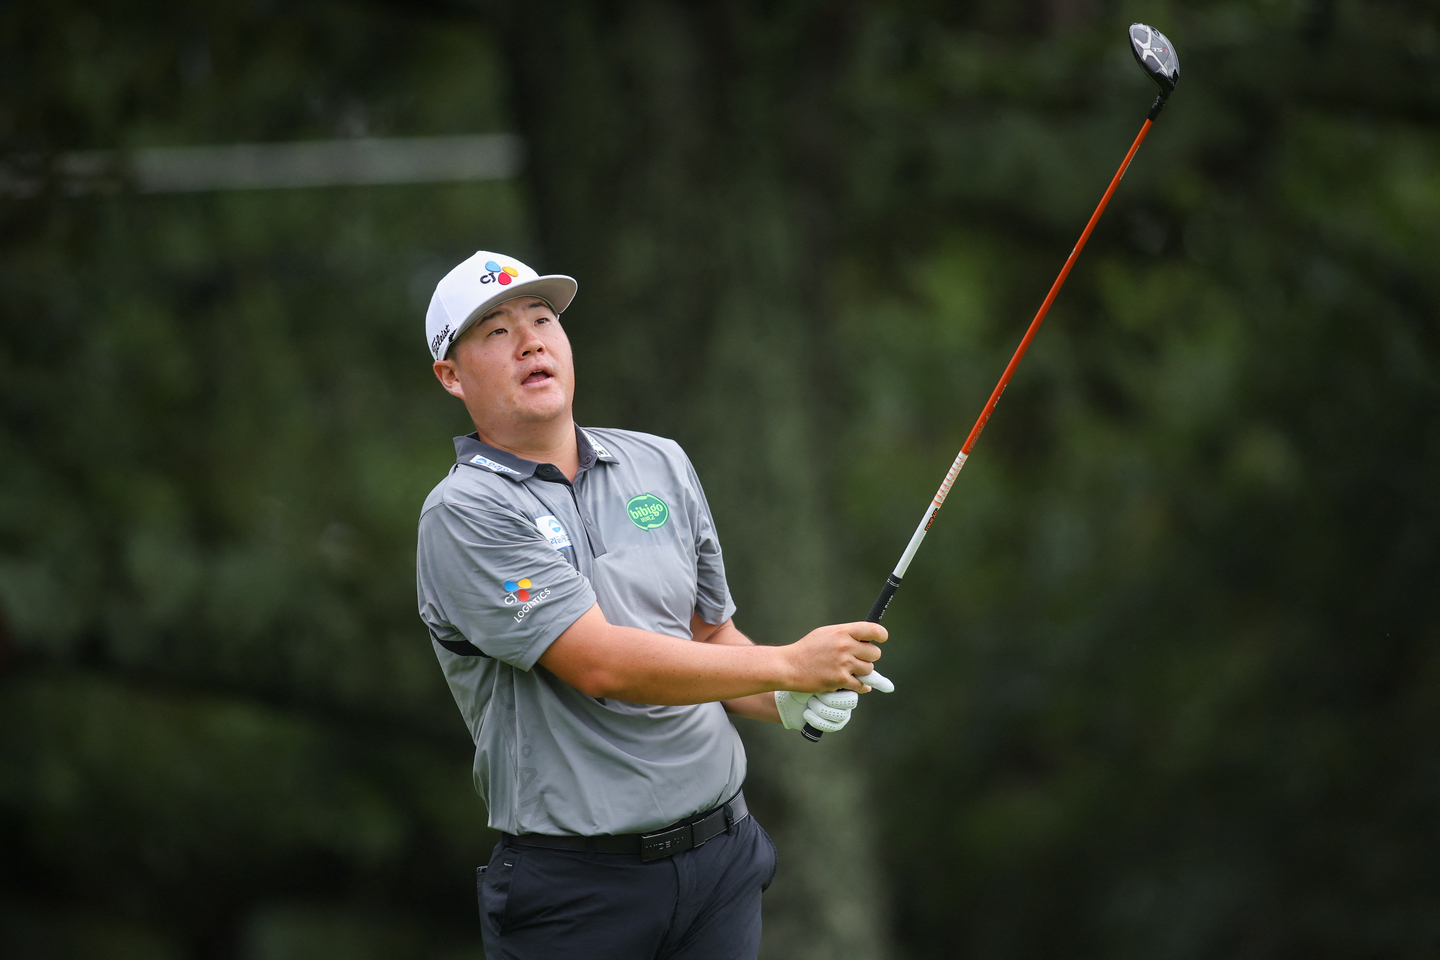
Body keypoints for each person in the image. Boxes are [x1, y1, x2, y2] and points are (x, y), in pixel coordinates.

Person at [415, 250, 892, 960]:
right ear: (451, 376)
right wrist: (788, 665)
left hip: (720, 862)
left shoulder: (658, 462)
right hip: (579, 893)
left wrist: (783, 697)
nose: (531, 340)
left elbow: (709, 637)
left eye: (542, 319)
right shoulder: (464, 512)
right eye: (495, 331)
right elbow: (603, 664)